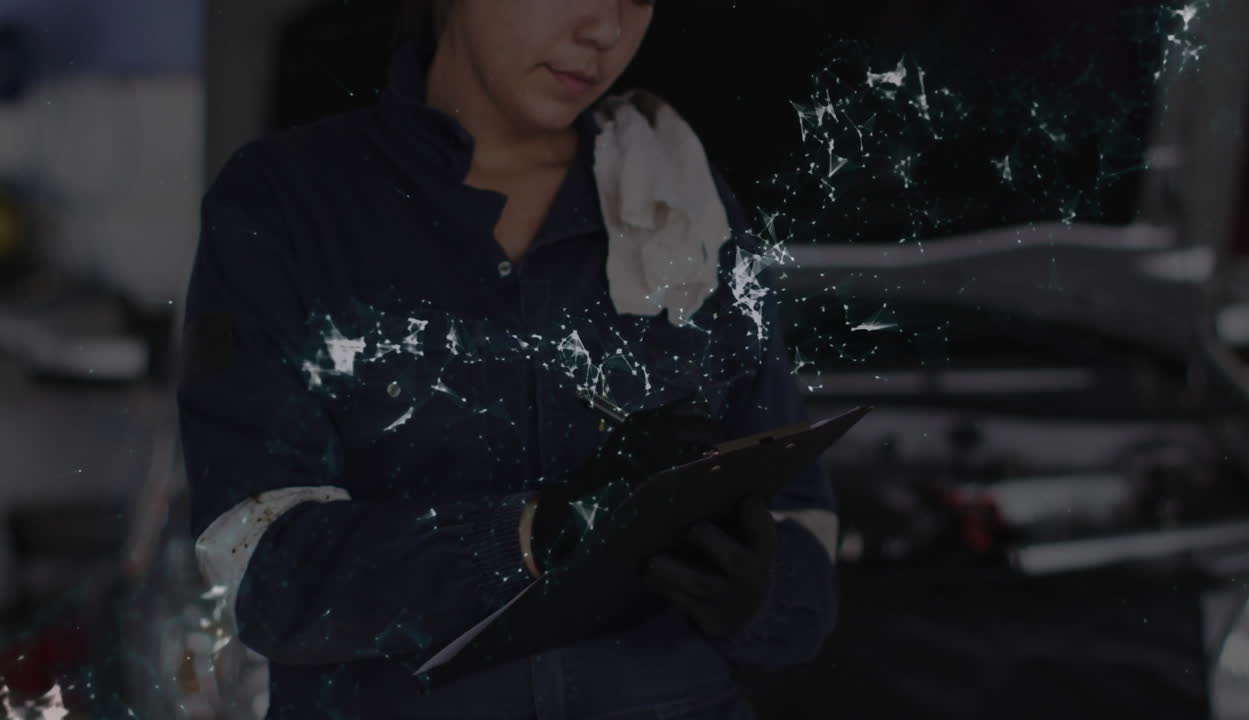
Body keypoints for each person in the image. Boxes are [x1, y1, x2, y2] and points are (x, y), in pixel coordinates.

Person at [177, 1, 839, 717]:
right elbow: (261, 576)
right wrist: (524, 539)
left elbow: (804, 535)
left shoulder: (680, 202)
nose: (606, 30)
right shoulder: (287, 206)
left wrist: (759, 594)